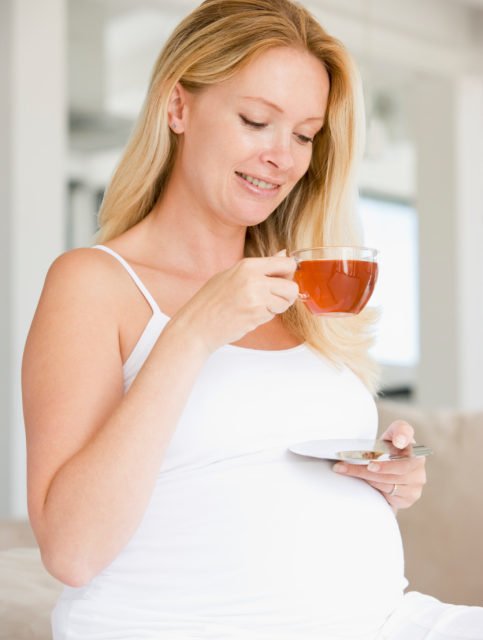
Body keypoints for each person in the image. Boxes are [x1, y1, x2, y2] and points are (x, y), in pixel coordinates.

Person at [21, 1, 482, 639]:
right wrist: (192, 332)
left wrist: (387, 478)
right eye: (256, 120)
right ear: (178, 107)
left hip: (382, 621)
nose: (282, 158)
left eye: (303, 134)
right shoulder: (94, 283)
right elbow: (71, 551)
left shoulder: (301, 293)